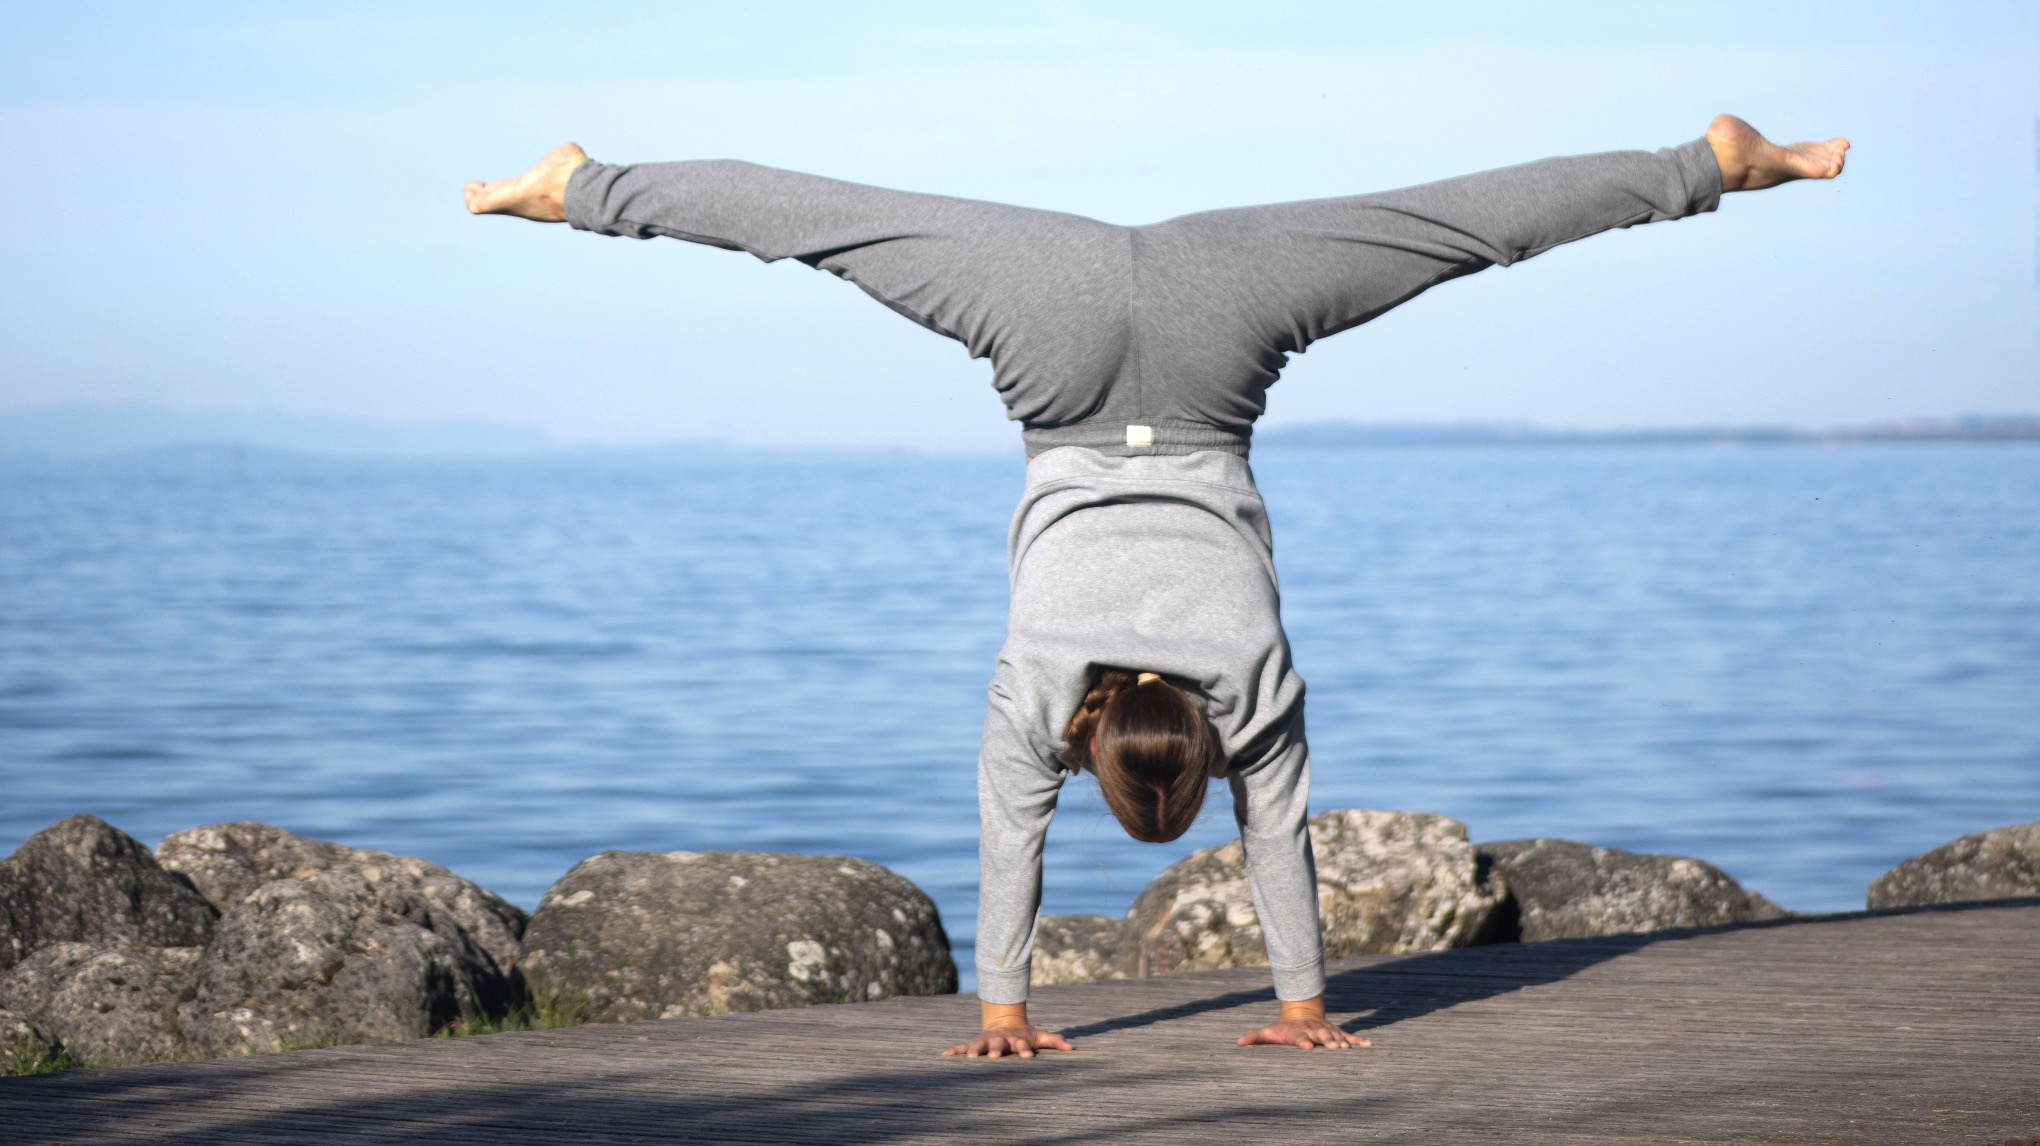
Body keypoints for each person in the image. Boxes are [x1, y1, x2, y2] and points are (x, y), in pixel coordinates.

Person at [465, 115, 1848, 1059]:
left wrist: (1306, 1001)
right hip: (1057, 345)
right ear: (1095, 740)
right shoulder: (1038, 697)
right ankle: (580, 187)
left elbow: (1275, 838)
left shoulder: (1248, 683)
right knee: (833, 226)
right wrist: (1000, 1006)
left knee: (1450, 228)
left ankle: (1706, 165)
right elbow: (1018, 846)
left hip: (1207, 323)